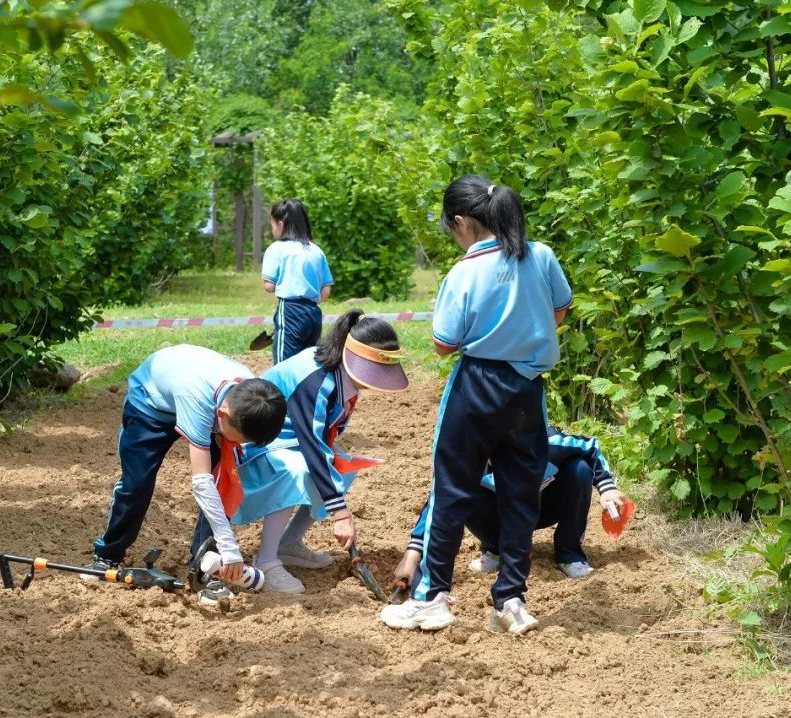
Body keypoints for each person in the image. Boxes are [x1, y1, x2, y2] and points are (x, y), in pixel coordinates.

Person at [380, 176, 572, 634]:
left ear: (462, 222)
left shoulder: (464, 272)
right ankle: (511, 600)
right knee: (521, 494)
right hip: (527, 388)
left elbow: (444, 344)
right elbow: (560, 311)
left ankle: (432, 598)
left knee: (452, 491)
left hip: (477, 386)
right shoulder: (541, 255)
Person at [86, 345, 286, 605]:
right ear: (223, 416)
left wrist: (225, 549)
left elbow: (218, 482)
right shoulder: (199, 400)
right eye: (240, 439)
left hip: (204, 401)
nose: (241, 444)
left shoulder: (255, 397)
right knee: (137, 485)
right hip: (151, 403)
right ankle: (107, 554)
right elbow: (200, 482)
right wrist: (230, 546)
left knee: (222, 482)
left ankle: (206, 570)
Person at [228, 310, 409, 593]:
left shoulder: (341, 373)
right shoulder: (315, 379)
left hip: (292, 440)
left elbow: (322, 438)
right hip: (255, 441)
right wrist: (341, 514)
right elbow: (312, 445)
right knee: (298, 470)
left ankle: (289, 544)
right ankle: (266, 560)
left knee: (342, 467)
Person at [393, 425, 628, 592]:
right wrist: (413, 555)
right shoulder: (468, 457)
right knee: (461, 487)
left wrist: (607, 488)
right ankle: (494, 549)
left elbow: (591, 448)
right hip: (496, 514)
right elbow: (439, 501)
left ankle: (569, 552)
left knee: (580, 469)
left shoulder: (546, 442)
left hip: (540, 508)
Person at [262, 199, 334, 364]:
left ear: (280, 224)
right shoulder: (316, 251)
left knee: (283, 363)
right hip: (313, 313)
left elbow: (269, 286)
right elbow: (325, 291)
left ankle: (282, 391)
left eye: (272, 224)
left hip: (289, 311)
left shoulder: (276, 249)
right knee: (308, 361)